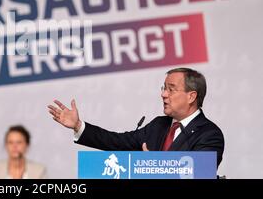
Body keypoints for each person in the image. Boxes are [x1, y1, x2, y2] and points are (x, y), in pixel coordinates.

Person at [48, 67, 225, 167]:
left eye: (171, 89)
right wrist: (78, 125)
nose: (163, 94)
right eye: (163, 88)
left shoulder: (209, 135)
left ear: (191, 96)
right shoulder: (158, 125)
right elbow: (117, 142)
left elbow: (198, 173)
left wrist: (155, 167)